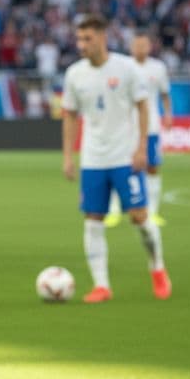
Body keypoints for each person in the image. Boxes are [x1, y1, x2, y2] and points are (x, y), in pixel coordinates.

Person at [60, 15, 172, 302]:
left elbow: (143, 108)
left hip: (125, 156)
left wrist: (141, 148)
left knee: (139, 217)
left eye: (88, 38)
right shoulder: (75, 74)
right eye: (79, 39)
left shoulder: (125, 69)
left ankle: (157, 268)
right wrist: (68, 156)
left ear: (102, 37)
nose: (82, 44)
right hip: (94, 158)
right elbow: (70, 115)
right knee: (92, 219)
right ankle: (101, 285)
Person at [105, 33, 173, 227]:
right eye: (136, 45)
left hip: (150, 126)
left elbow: (165, 94)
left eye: (143, 45)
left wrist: (168, 114)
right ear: (131, 47)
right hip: (124, 127)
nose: (140, 48)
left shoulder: (158, 68)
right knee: (118, 167)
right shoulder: (122, 66)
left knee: (152, 167)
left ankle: (152, 211)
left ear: (150, 46)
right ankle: (114, 210)